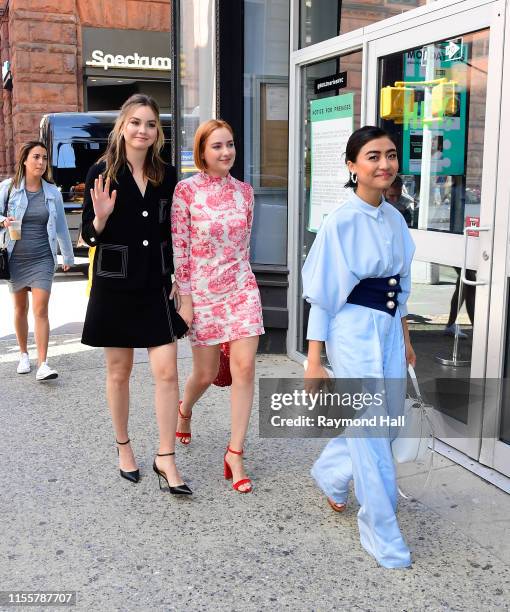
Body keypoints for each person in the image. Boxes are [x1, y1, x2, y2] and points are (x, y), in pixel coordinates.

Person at [302, 126, 416, 568]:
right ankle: (382, 532)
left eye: (389, 155)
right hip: (351, 332)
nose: (384, 164)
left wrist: (405, 339)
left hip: (387, 330)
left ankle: (330, 473)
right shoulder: (341, 222)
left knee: (385, 425)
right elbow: (323, 296)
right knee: (371, 431)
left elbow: (400, 287)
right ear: (353, 166)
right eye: (373, 156)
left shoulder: (396, 218)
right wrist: (315, 359)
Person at [80, 94, 191, 495]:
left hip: (156, 286)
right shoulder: (102, 171)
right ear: (123, 126)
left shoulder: (167, 174)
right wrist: (101, 218)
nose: (142, 130)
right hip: (114, 287)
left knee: (167, 371)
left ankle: (165, 457)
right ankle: (124, 446)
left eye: (150, 124)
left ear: (157, 132)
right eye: (135, 122)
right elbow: (88, 237)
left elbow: (176, 232)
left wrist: (183, 282)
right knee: (119, 372)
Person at [171, 119, 264, 494]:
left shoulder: (245, 192)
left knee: (244, 368)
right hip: (203, 294)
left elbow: (244, 245)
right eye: (217, 146)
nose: (226, 152)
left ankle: (235, 452)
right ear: (202, 152)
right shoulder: (186, 191)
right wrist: (187, 301)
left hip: (242, 288)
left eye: (230, 144)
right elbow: (181, 250)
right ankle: (184, 409)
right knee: (206, 373)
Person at [0, 140, 74, 380]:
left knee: (41, 309)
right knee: (20, 308)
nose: (41, 162)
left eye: (44, 158)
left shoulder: (52, 192)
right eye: (36, 157)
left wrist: (67, 255)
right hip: (15, 256)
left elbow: (61, 226)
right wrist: (3, 221)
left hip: (43, 256)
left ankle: (43, 363)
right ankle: (23, 354)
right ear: (25, 160)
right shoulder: (8, 188)